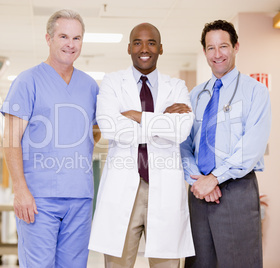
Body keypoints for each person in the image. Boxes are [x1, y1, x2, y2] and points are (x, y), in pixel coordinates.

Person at [88, 22, 195, 268]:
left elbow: (180, 130)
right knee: (118, 263)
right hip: (124, 186)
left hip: (164, 188)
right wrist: (162, 119)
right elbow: (110, 126)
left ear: (160, 48)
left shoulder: (176, 86)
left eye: (151, 42)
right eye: (137, 42)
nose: (144, 48)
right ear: (128, 48)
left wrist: (136, 115)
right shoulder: (113, 82)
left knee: (166, 263)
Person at [1, 9, 100, 267]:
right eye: (64, 36)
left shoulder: (90, 86)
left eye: (77, 38)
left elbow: (96, 130)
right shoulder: (28, 81)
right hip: (38, 198)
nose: (70, 44)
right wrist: (20, 188)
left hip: (80, 196)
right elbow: (10, 139)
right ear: (49, 39)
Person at [180, 20, 271, 268]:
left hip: (237, 190)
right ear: (204, 52)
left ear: (236, 47)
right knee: (198, 263)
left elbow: (251, 146)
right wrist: (198, 179)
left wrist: (215, 178)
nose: (217, 54)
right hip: (199, 192)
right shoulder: (195, 95)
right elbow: (183, 144)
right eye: (211, 48)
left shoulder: (255, 92)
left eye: (223, 46)